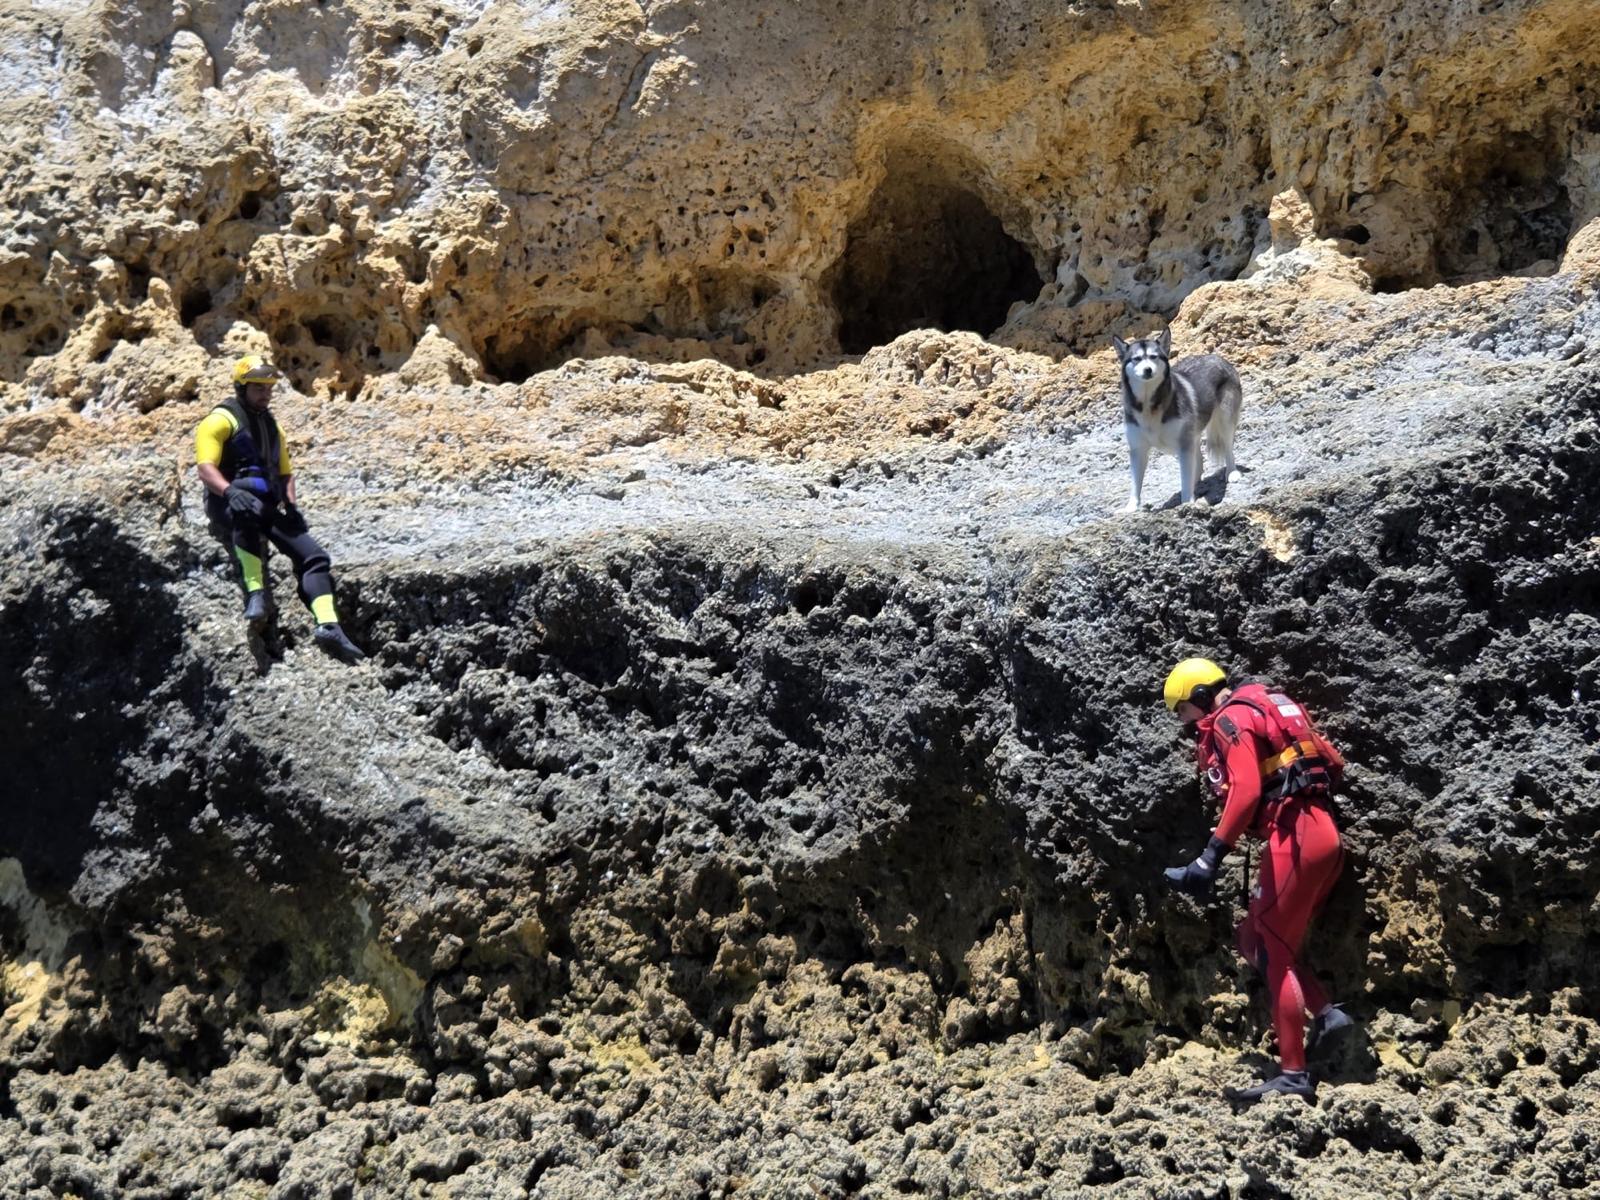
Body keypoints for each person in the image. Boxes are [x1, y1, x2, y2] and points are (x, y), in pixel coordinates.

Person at [1161, 657, 1352, 1106]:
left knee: (1271, 949)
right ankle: (1326, 1013)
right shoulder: (1267, 705)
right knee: (1252, 938)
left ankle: (1292, 1072)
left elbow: (1245, 789)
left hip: (1297, 839)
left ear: (1201, 696)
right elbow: (1333, 762)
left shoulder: (1229, 719)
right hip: (1323, 836)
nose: (1187, 726)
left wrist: (1210, 858)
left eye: (1185, 713)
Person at [194, 355, 364, 663]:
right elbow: (205, 468)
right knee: (246, 515)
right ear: (241, 387)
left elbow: (285, 473)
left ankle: (328, 625)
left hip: (266, 506)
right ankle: (256, 593)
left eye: (269, 388)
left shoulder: (274, 428)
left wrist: (292, 506)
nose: (265, 393)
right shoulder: (219, 420)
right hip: (229, 503)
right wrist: (229, 491)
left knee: (314, 556)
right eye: (258, 387)